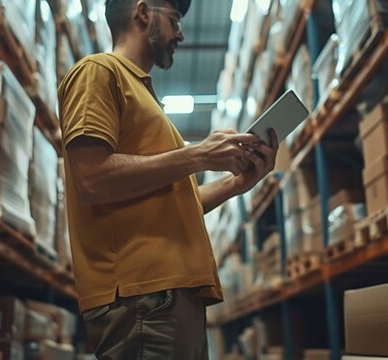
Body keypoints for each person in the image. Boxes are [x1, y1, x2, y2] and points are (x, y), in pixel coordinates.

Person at [57, 0, 278, 358]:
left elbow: (175, 202)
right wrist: (200, 154)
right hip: (142, 299)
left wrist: (237, 184)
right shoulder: (98, 71)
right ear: (143, 13)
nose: (181, 33)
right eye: (174, 19)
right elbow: (93, 179)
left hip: (166, 298)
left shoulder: (146, 99)